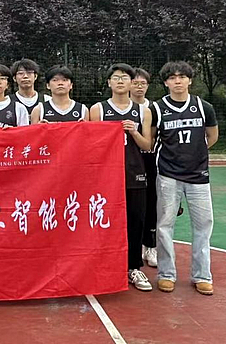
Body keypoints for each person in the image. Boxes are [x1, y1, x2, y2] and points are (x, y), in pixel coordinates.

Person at [151, 61, 219, 296]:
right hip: (168, 174)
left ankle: (202, 276)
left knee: (203, 225)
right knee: (164, 225)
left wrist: (195, 154)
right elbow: (152, 139)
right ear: (166, 82)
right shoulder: (157, 108)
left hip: (198, 175)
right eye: (172, 77)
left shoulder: (204, 107)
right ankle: (166, 274)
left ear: (190, 80)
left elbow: (212, 136)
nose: (177, 81)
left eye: (182, 77)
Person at [89, 63, 154, 292]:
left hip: (135, 173)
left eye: (124, 77)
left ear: (131, 83)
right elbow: (91, 143)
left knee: (135, 222)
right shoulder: (98, 109)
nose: (120, 81)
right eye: (115, 77)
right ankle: (104, 265)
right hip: (106, 176)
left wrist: (133, 131)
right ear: (109, 82)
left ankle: (133, 267)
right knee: (104, 221)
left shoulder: (142, 111)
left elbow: (147, 145)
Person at [130, 68, 158, 268]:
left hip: (149, 160)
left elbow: (154, 137)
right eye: (136, 83)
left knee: (151, 203)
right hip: (127, 162)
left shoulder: (153, 109)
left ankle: (150, 245)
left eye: (143, 83)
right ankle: (130, 247)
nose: (139, 87)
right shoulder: (119, 107)